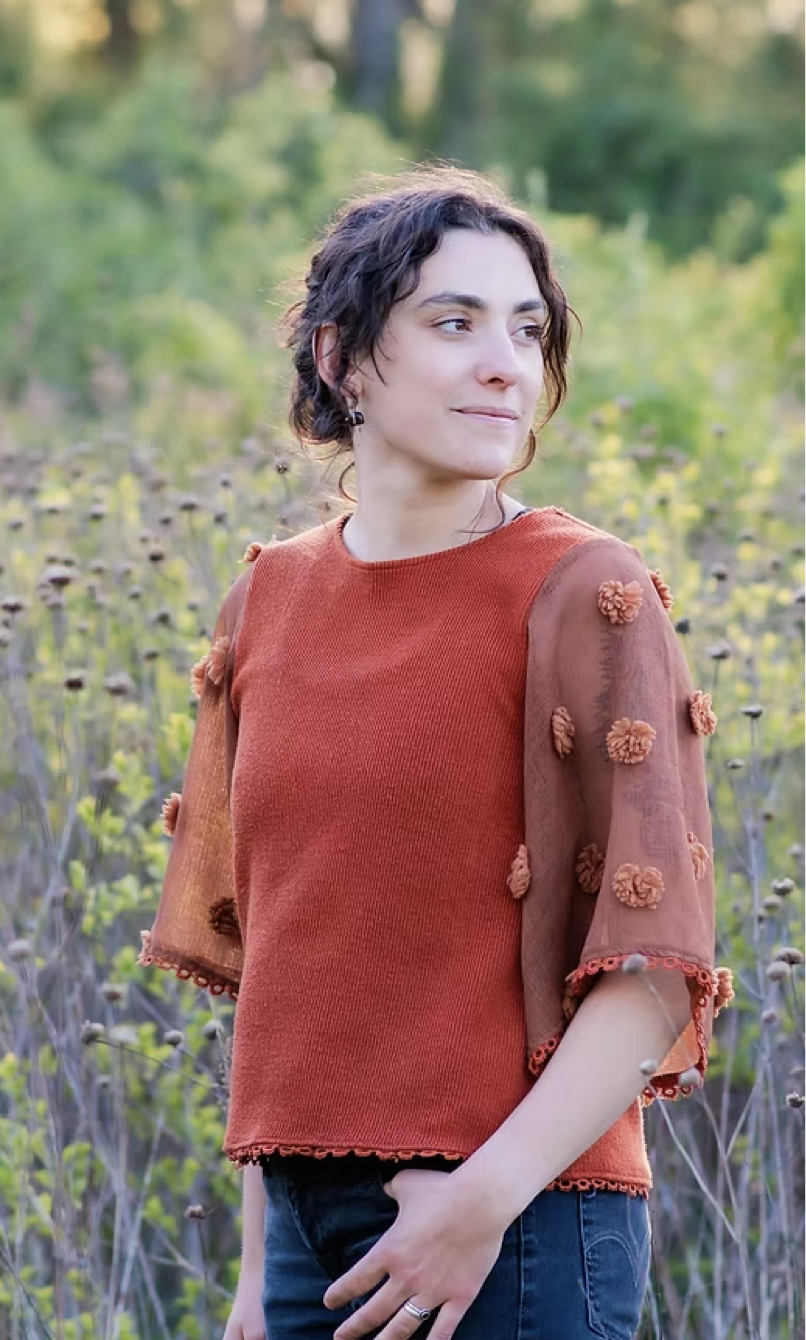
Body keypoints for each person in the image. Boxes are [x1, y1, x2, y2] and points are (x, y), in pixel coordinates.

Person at [139, 165, 733, 1340]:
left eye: (524, 327)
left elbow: (653, 961)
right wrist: (260, 1275)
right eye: (451, 322)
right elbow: (282, 956)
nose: (503, 361)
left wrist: (481, 1201)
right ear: (339, 358)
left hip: (514, 1228)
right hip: (311, 1244)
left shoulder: (583, 589)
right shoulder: (267, 598)